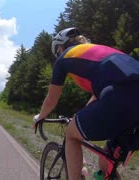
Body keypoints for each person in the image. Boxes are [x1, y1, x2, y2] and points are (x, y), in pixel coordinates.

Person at [33, 27, 139, 179]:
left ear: (61, 47)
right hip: (125, 95)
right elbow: (98, 96)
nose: (58, 55)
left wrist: (39, 117)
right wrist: (80, 116)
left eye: (57, 52)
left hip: (119, 96)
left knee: (71, 134)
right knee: (106, 162)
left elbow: (51, 100)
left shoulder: (64, 58)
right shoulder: (103, 52)